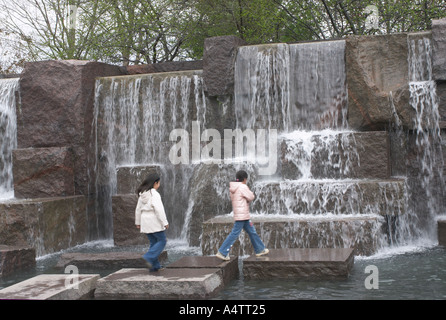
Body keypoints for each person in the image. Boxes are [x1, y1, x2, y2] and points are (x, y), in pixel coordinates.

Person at [216, 170, 269, 261]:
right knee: (235, 233)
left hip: (242, 215)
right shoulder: (242, 187)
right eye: (246, 179)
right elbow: (251, 197)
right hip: (242, 216)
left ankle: (260, 249)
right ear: (244, 179)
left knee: (252, 232)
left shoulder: (234, 188)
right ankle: (222, 251)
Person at [135, 173, 169, 271]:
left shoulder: (142, 194)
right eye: (159, 183)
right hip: (154, 221)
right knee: (162, 241)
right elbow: (159, 209)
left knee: (153, 242)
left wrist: (138, 222)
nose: (159, 185)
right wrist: (165, 222)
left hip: (145, 221)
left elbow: (138, 209)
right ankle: (149, 257)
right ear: (155, 183)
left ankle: (155, 266)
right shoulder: (154, 194)